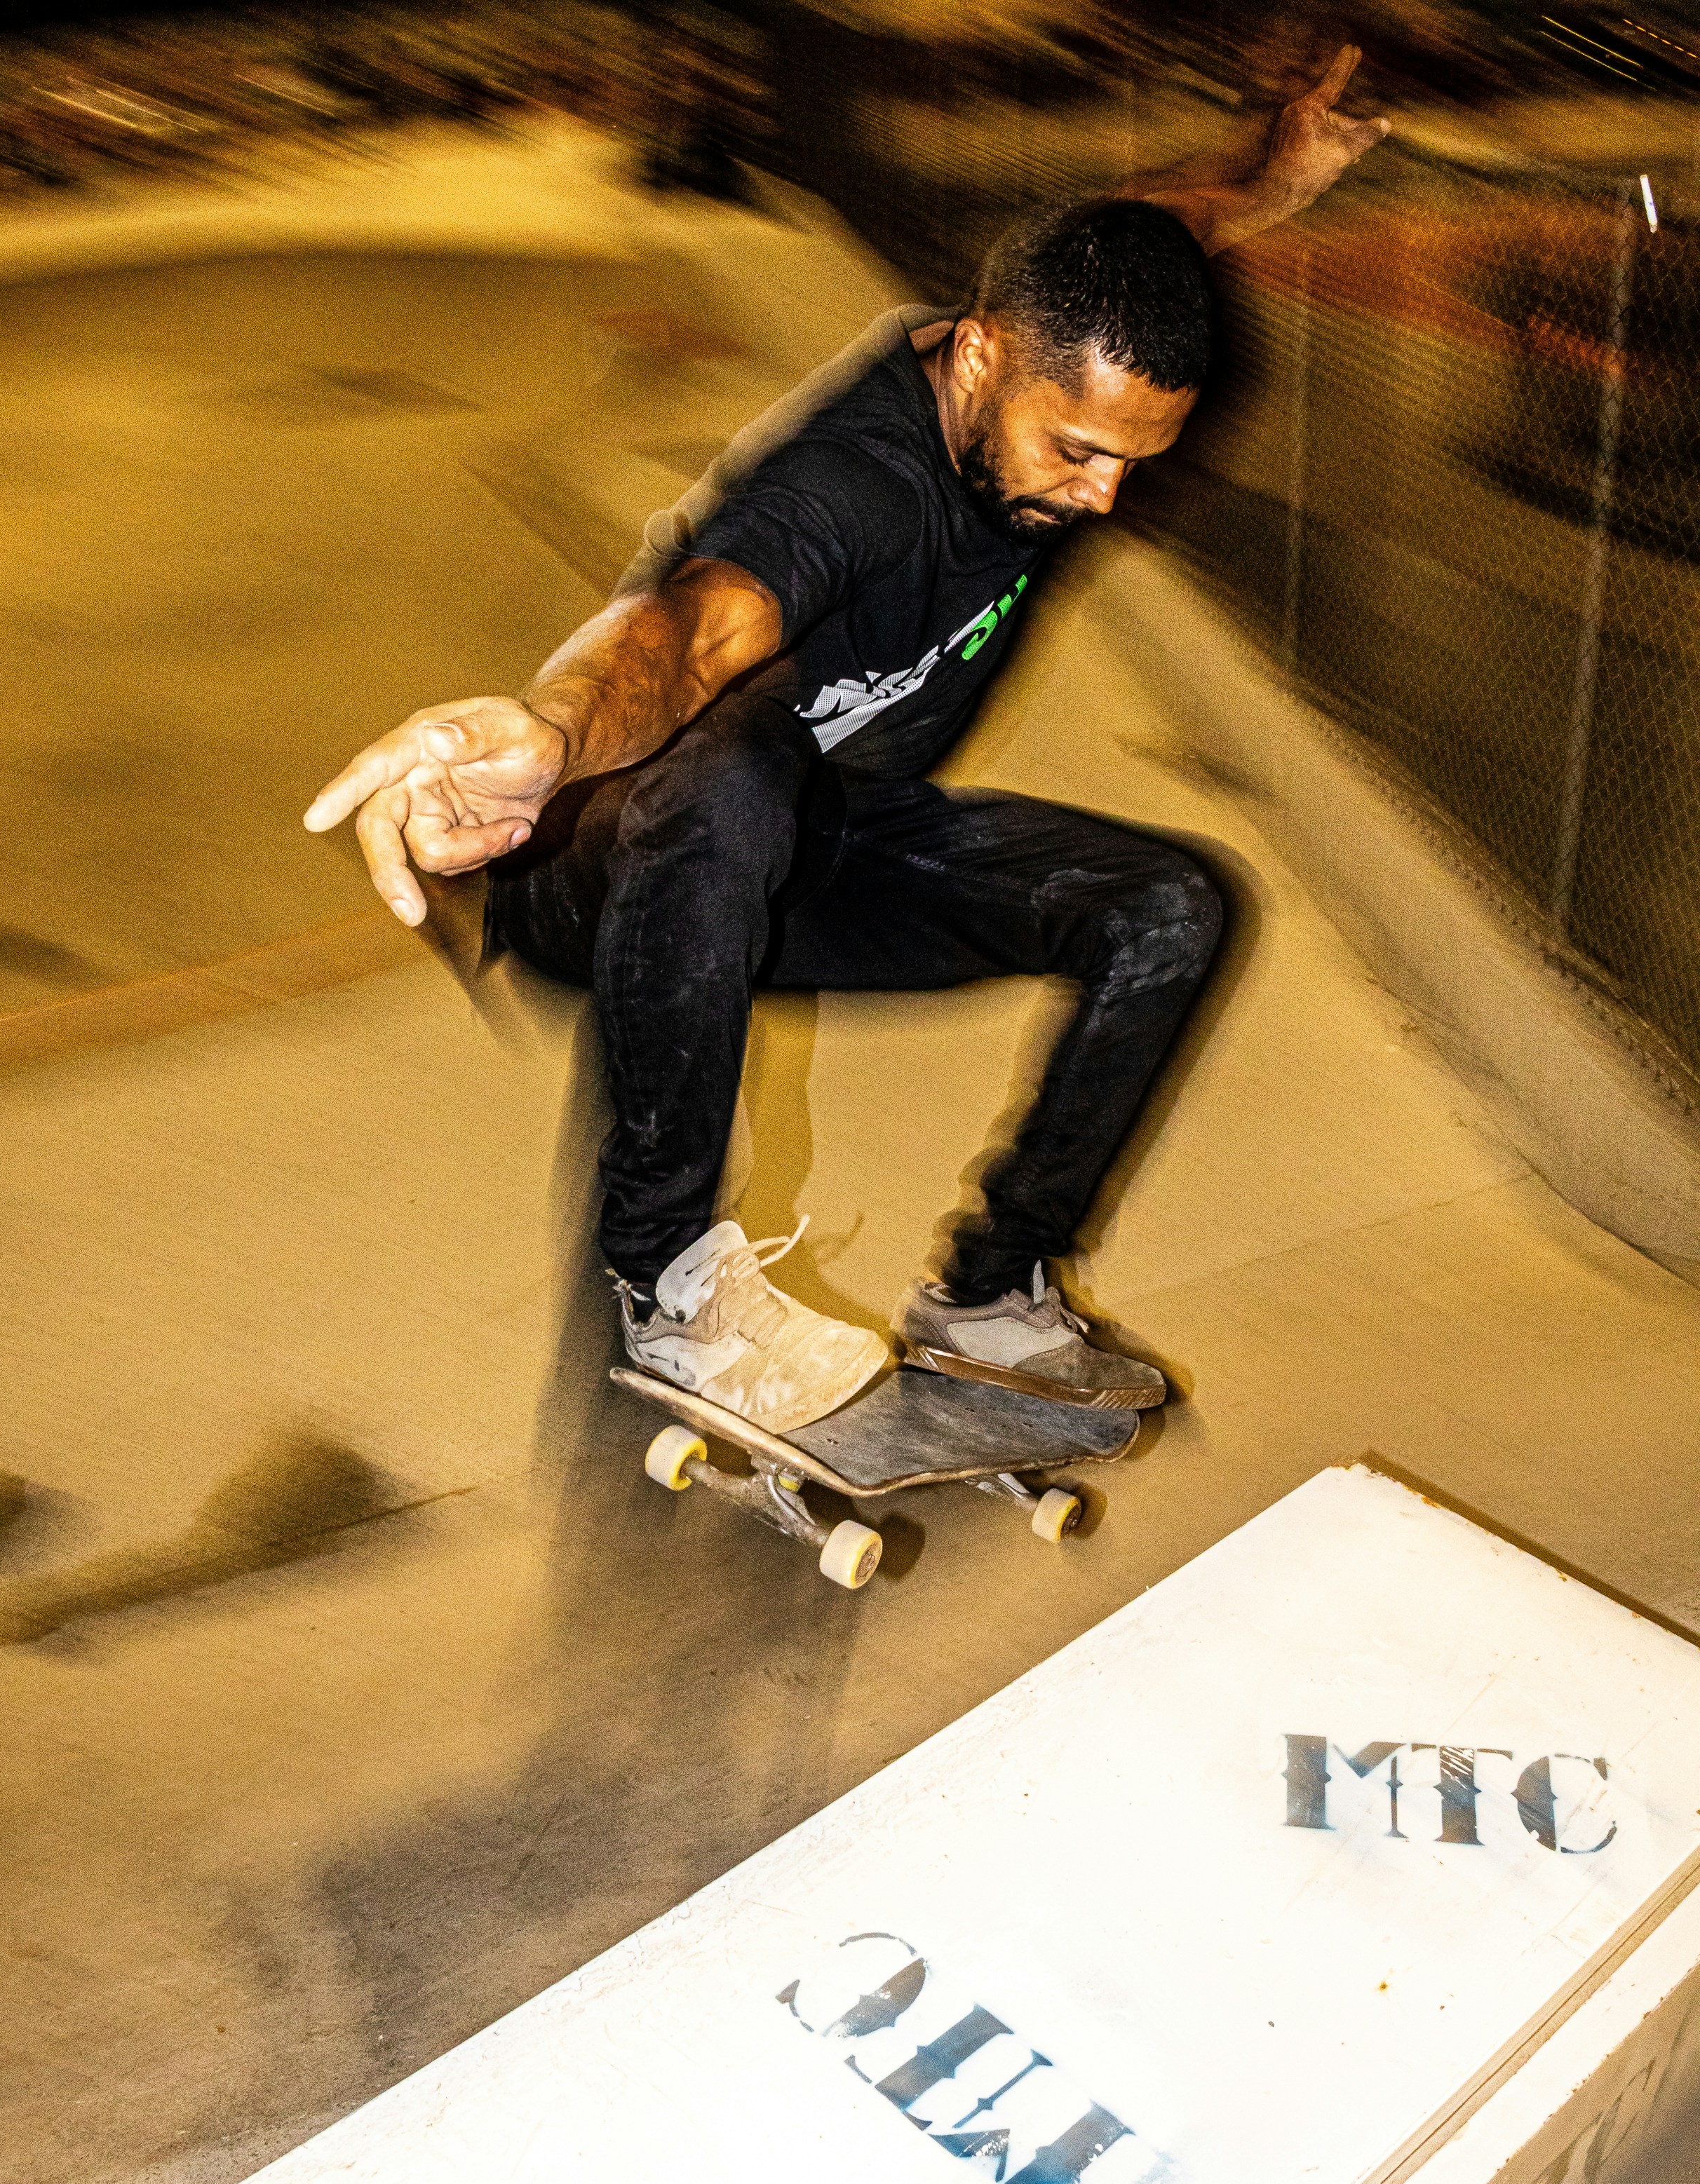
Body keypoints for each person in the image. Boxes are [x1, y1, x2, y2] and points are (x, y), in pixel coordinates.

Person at [305, 50, 1389, 1434]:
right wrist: (553, 733)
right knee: (731, 768)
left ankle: (987, 1296)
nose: (1103, 496)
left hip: (816, 846)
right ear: (982, 356)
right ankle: (667, 1289)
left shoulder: (1060, 333)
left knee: (1170, 908)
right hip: (612, 861)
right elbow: (692, 632)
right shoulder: (856, 483)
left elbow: (1163, 222)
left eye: (1136, 459)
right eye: (1074, 450)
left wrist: (1271, 176)